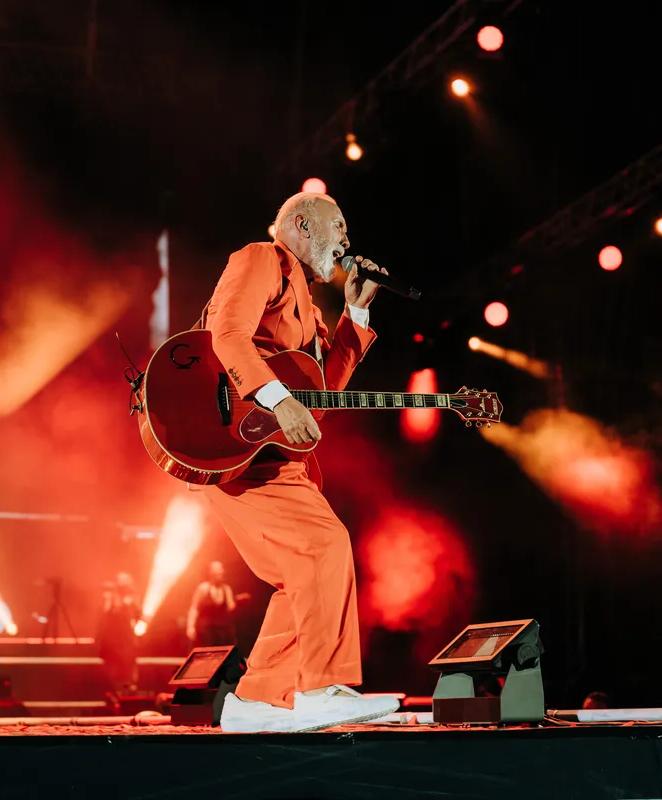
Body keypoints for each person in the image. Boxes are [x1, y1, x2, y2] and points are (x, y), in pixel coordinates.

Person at [200, 191, 399, 732]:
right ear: (304, 226)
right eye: (339, 227)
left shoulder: (310, 307)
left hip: (280, 457)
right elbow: (226, 336)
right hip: (237, 446)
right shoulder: (260, 259)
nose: (346, 242)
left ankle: (260, 698)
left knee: (301, 572)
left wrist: (357, 310)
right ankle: (318, 689)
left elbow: (323, 391)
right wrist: (276, 399)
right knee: (324, 545)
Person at [186, 561, 238, 646]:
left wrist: (238, 601)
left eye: (221, 569)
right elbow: (194, 608)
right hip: (206, 631)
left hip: (221, 630)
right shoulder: (203, 588)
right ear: (210, 572)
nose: (220, 572)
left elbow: (230, 608)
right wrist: (190, 626)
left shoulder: (226, 589)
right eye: (217, 569)